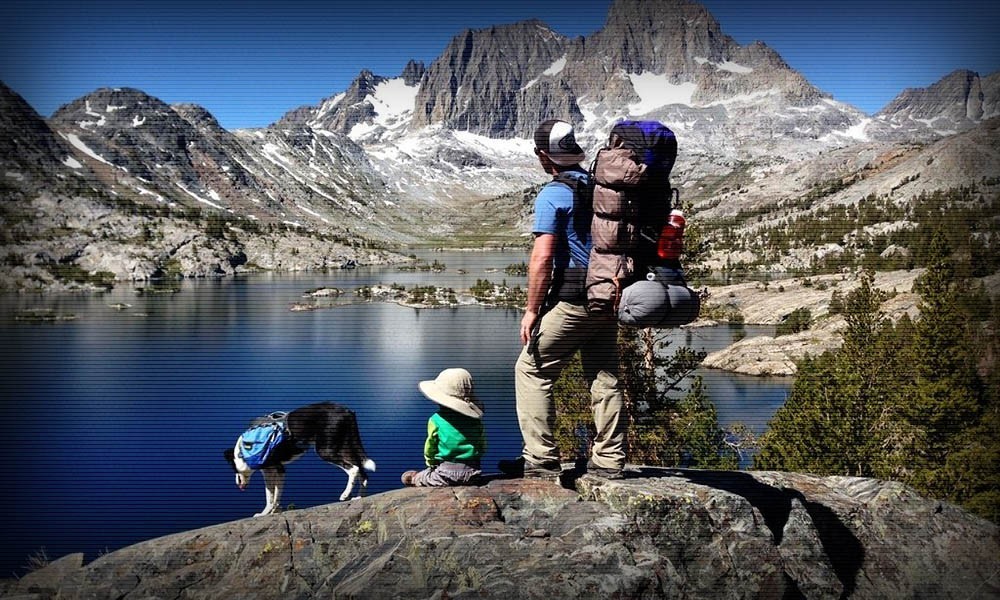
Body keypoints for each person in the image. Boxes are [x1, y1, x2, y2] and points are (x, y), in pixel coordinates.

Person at [503, 119, 627, 481]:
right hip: (608, 295)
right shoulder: (600, 186)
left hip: (573, 297)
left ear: (545, 155)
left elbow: (542, 258)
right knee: (604, 375)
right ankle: (610, 459)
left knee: (531, 369)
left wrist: (530, 311)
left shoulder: (553, 193)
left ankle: (540, 459)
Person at [401, 368, 487, 487]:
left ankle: (415, 478)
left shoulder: (435, 420)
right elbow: (482, 445)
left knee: (426, 477)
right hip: (473, 473)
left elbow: (430, 447)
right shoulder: (475, 420)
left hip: (446, 473)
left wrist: (431, 463)